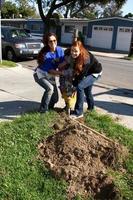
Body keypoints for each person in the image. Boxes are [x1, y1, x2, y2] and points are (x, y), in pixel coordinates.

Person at [69, 40, 102, 119]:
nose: (73, 53)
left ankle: (79, 112)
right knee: (87, 91)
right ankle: (91, 109)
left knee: (80, 87)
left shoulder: (86, 58)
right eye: (72, 50)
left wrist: (74, 85)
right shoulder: (73, 54)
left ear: (80, 50)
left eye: (76, 51)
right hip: (88, 72)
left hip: (95, 73)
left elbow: (81, 76)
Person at [33, 32, 64, 113]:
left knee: (55, 99)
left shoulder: (60, 50)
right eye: (50, 41)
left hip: (50, 75)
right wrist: (62, 73)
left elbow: (63, 62)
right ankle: (43, 110)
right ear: (47, 43)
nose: (53, 43)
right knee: (50, 88)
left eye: (54, 40)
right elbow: (51, 70)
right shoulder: (46, 54)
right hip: (40, 74)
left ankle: (49, 108)